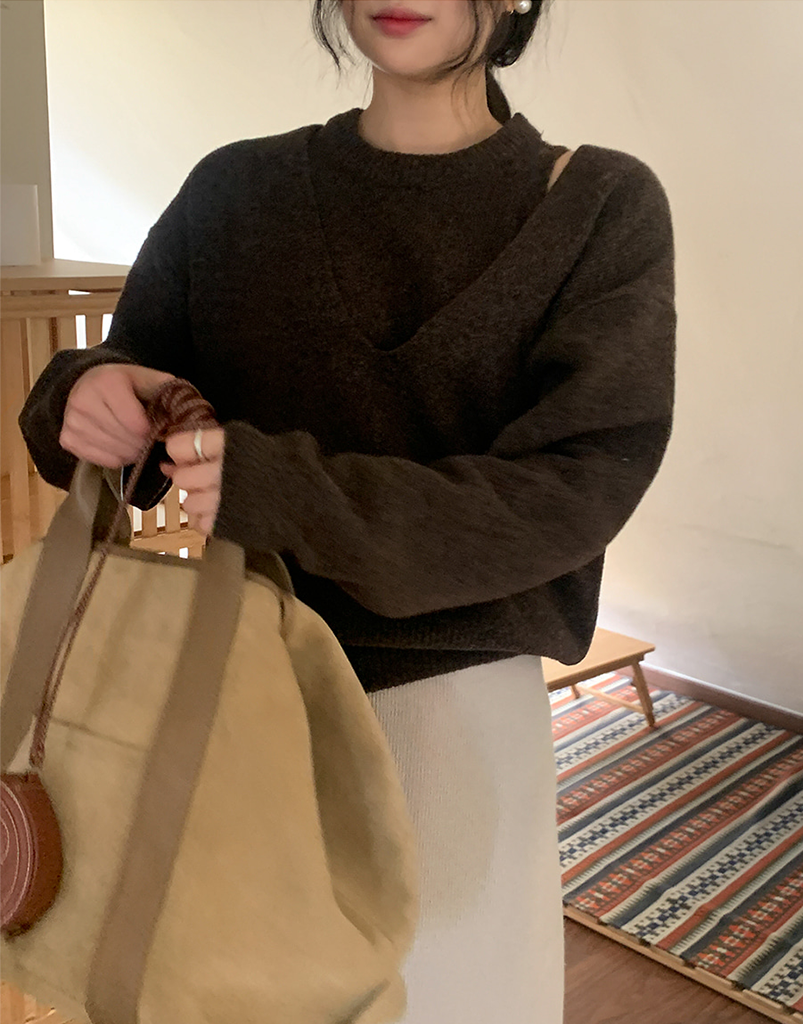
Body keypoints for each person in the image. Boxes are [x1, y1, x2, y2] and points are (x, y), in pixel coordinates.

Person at [20, 1, 675, 1020]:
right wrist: (87, 390)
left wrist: (282, 489)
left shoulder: (597, 204)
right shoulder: (235, 189)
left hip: (448, 711)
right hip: (221, 687)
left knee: (453, 999)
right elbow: (124, 370)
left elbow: (576, 485)